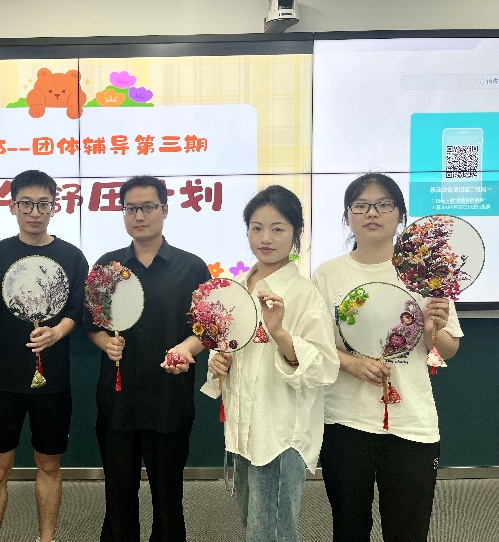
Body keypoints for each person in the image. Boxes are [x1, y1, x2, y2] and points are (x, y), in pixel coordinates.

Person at [166, 185, 339, 542]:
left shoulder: (305, 293)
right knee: (253, 523)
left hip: (280, 431)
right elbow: (227, 346)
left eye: (278, 228)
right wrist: (219, 362)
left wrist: (279, 333)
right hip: (244, 426)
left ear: (296, 233)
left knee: (273, 529)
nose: (265, 238)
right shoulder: (235, 287)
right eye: (256, 228)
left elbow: (322, 367)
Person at [311, 173, 463, 542]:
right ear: (348, 216)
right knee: (349, 529)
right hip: (345, 421)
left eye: (383, 204)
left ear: (400, 214)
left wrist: (431, 328)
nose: (372, 213)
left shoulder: (425, 273)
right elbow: (314, 344)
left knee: (408, 532)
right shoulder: (328, 274)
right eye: (361, 205)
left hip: (410, 422)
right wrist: (351, 363)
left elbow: (448, 349)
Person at [86, 175, 211, 542]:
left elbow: (207, 328)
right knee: (118, 496)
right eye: (130, 209)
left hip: (168, 399)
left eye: (148, 207)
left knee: (168, 497)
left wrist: (186, 349)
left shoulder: (191, 267)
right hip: (118, 399)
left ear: (165, 210)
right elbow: (91, 324)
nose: (139, 216)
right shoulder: (107, 266)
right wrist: (104, 344)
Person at [0, 170, 88, 542]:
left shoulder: (72, 257)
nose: (35, 212)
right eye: (26, 204)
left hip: (53, 380)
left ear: (55, 207)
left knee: (49, 464)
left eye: (43, 204)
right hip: (3, 379)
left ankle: (47, 538)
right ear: (13, 207)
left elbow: (77, 310)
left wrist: (57, 332)